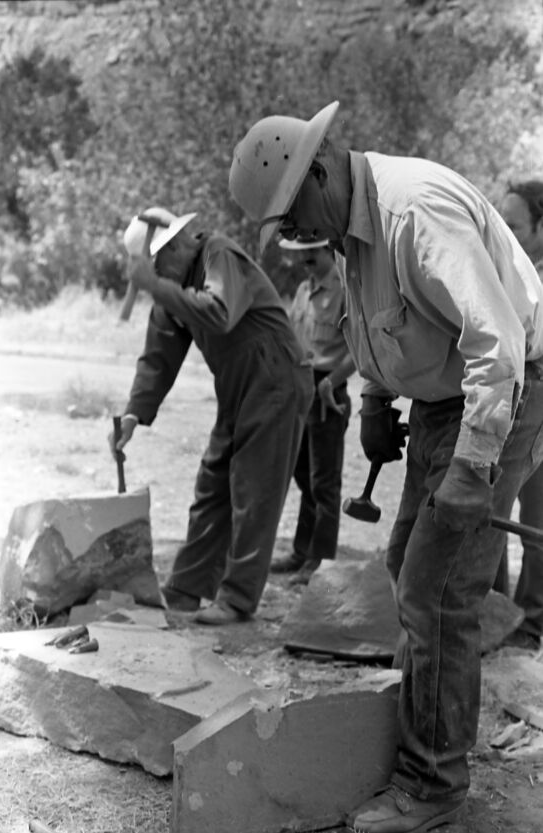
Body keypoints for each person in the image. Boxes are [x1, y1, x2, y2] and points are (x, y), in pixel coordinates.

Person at [229, 102, 543, 832]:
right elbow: (381, 322)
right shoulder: (347, 226)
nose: (294, 234)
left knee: (436, 587)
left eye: (290, 212)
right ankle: (429, 725)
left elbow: (493, 340)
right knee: (407, 563)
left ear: (317, 168)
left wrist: (472, 463)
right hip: (442, 398)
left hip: (506, 389)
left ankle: (432, 784)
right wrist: (374, 398)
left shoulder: (414, 211)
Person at [110, 206, 313, 626]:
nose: (163, 266)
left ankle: (238, 599)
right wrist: (134, 413)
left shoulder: (218, 253)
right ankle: (186, 587)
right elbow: (158, 357)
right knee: (212, 483)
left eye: (167, 255)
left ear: (185, 242)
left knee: (254, 487)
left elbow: (219, 313)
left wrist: (156, 287)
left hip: (276, 375)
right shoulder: (171, 288)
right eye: (157, 262)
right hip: (237, 386)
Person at [270, 237, 355, 584]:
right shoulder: (305, 289)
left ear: (328, 251)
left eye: (312, 252)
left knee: (324, 482)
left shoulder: (344, 289)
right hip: (301, 387)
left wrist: (331, 381)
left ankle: (320, 561)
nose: (305, 258)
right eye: (301, 252)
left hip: (327, 391)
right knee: (302, 474)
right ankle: (302, 552)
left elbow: (360, 348)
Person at [497, 179, 543, 650]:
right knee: (488, 514)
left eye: (515, 225)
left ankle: (529, 626)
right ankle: (493, 615)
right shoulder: (510, 271)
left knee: (535, 527)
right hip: (507, 407)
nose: (506, 233)